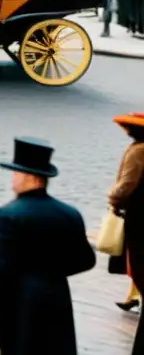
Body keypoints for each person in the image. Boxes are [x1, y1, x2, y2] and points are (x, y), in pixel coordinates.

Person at [0, 137, 96, 354]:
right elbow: (86, 260)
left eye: (15, 173)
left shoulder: (7, 215)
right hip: (57, 297)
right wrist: (52, 271)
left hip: (19, 302)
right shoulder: (70, 214)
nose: (12, 180)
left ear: (30, 177)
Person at [109, 113, 144, 348]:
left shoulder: (138, 151)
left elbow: (126, 184)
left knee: (138, 262)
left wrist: (113, 199)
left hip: (138, 217)